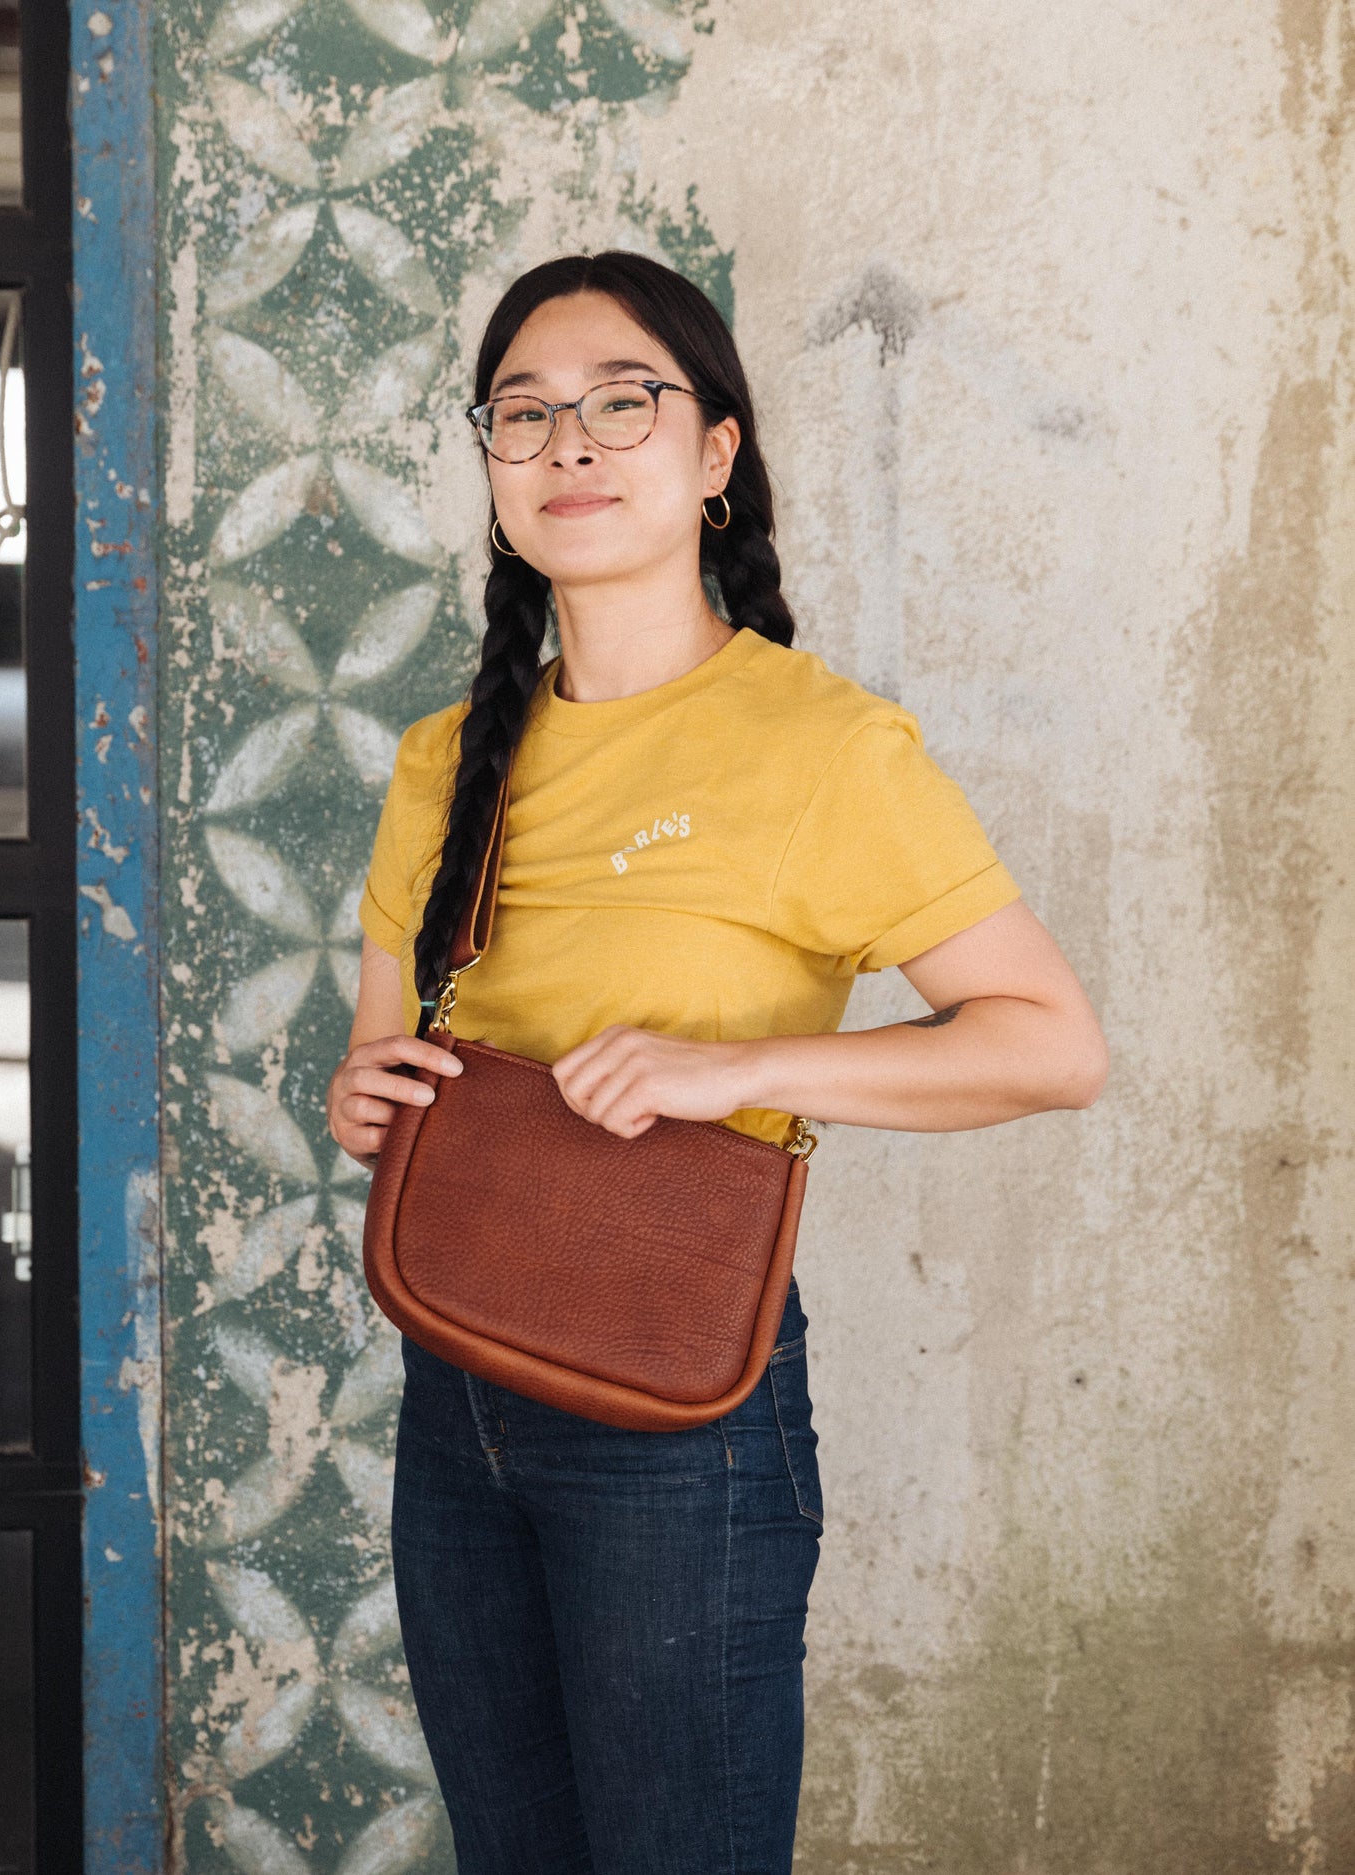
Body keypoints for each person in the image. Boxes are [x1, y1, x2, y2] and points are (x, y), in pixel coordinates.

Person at [325, 251, 1108, 1875]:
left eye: (626, 403)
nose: (571, 446)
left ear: (716, 455)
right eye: (524, 414)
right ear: (488, 471)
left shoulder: (824, 748)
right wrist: (363, 1100)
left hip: (681, 1423)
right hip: (450, 1388)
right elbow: (385, 1066)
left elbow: (1051, 1045)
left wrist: (729, 1066)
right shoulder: (435, 764)